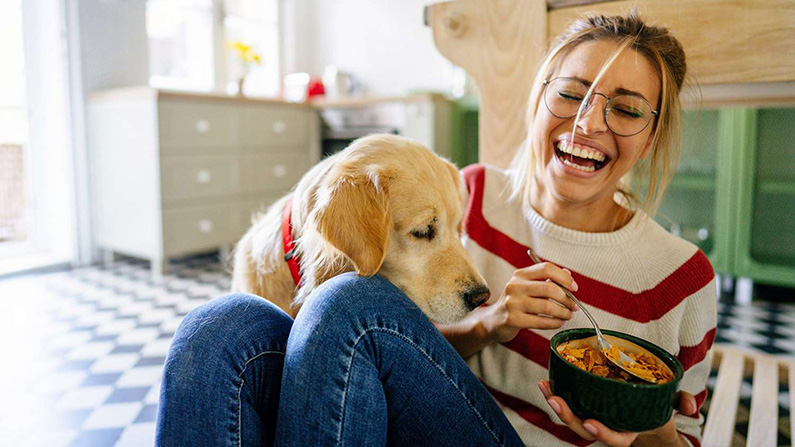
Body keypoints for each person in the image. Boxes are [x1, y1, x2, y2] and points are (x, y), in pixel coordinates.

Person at [156, 11, 716, 447]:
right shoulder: (465, 192)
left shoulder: (682, 278)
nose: (589, 122)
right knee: (219, 326)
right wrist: (487, 325)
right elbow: (394, 351)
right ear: (540, 97)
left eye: (627, 108)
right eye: (571, 93)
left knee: (346, 301)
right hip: (404, 420)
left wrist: (649, 428)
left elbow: (683, 439)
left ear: (654, 133)